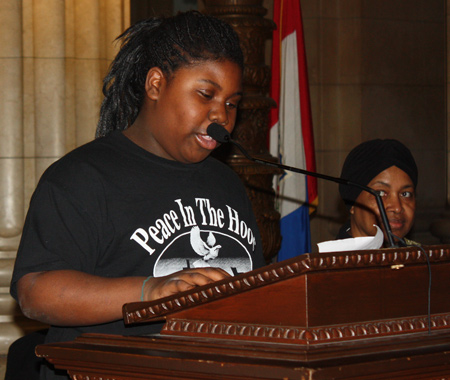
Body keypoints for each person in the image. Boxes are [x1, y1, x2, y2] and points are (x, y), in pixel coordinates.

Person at [9, 11, 265, 380]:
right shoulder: (83, 176)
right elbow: (36, 292)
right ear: (156, 84)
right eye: (206, 94)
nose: (221, 116)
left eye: (232, 103)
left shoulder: (227, 183)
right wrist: (150, 290)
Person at [337, 139, 418, 247]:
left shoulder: (425, 260)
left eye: (405, 194)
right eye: (380, 193)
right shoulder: (331, 262)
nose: (397, 207)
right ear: (352, 203)